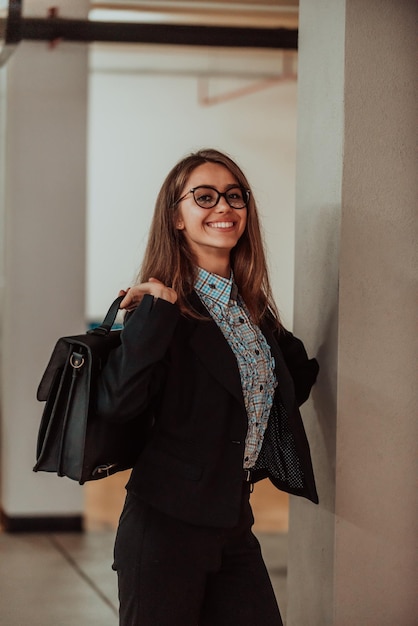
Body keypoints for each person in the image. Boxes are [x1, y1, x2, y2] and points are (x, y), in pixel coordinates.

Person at [96, 148, 319, 626]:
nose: (223, 207)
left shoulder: (247, 308)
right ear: (176, 216)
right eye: (205, 196)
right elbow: (119, 404)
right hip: (165, 528)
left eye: (234, 196)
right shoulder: (161, 308)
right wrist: (155, 313)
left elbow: (290, 380)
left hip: (234, 520)